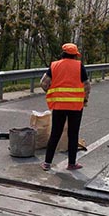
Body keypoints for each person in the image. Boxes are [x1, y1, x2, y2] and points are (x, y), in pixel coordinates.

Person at [40, 43, 91, 171]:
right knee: (73, 134)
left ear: (63, 53)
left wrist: (52, 93)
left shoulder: (54, 65)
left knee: (55, 133)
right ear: (75, 55)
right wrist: (84, 99)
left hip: (59, 105)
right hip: (75, 106)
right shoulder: (79, 66)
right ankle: (72, 163)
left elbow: (43, 83)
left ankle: (47, 163)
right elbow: (86, 85)